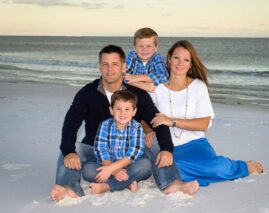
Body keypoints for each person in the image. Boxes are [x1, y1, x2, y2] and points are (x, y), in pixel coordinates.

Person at [50, 44, 197, 202]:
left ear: (123, 66)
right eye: (105, 64)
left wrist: (167, 148)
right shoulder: (87, 93)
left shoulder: (136, 94)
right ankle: (69, 188)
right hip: (98, 152)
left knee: (152, 144)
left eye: (115, 64)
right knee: (72, 150)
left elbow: (157, 120)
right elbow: (70, 123)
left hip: (130, 155)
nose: (110, 69)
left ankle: (171, 182)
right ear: (100, 67)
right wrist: (69, 151)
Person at [150, 40, 264, 187]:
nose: (180, 63)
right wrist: (148, 130)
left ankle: (243, 166)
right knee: (169, 167)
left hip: (195, 144)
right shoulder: (156, 88)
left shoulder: (198, 86)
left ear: (191, 64)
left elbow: (203, 124)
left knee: (214, 168)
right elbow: (145, 117)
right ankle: (188, 175)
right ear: (169, 58)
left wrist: (171, 121)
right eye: (176, 57)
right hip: (167, 147)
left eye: (186, 59)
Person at [82, 90, 152, 194]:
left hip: (130, 166)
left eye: (127, 109)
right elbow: (101, 151)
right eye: (118, 109)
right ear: (111, 110)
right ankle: (127, 183)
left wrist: (112, 169)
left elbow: (134, 152)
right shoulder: (104, 125)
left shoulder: (136, 127)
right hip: (108, 164)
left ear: (134, 111)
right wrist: (114, 171)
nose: (123, 113)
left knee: (146, 165)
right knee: (88, 170)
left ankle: (106, 186)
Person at [124, 27, 169, 92]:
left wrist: (138, 77)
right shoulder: (132, 56)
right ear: (135, 48)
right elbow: (121, 75)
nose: (144, 50)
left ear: (156, 48)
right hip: (133, 94)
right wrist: (146, 86)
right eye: (140, 46)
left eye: (149, 46)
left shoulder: (157, 58)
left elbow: (164, 77)